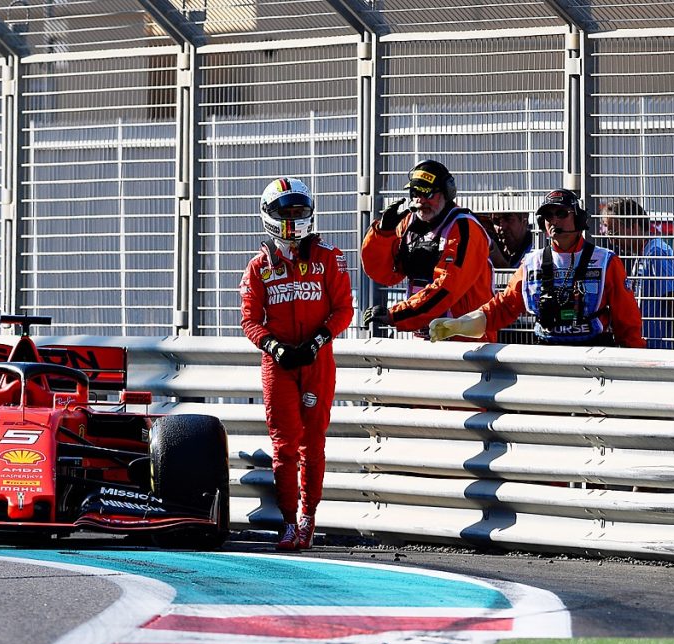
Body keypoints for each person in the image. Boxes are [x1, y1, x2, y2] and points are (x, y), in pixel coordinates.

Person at [240, 177, 353, 551]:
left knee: (313, 443)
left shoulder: (329, 257)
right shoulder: (258, 268)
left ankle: (309, 516)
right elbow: (249, 320)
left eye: (298, 210)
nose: (293, 219)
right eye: (285, 212)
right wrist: (273, 345)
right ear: (269, 216)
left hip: (318, 360)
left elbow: (343, 310)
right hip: (279, 364)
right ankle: (288, 522)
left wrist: (319, 339)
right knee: (284, 444)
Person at [430, 189, 645, 348]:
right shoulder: (532, 262)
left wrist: (632, 368)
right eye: (548, 216)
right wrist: (459, 324)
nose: (554, 221)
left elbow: (628, 322)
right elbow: (502, 308)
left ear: (578, 218)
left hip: (592, 356)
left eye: (561, 213)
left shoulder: (606, 262)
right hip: (547, 356)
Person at [360, 159, 497, 341]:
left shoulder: (465, 228)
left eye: (427, 193)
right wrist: (384, 233)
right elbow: (383, 274)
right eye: (415, 192)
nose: (420, 200)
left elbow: (446, 288)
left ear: (447, 193)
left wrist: (397, 315)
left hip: (466, 342)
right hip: (425, 338)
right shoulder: (409, 224)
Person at [601, 198, 674, 350]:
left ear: (634, 226)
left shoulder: (656, 254)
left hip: (663, 350)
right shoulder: (645, 254)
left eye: (613, 231)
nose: (610, 239)